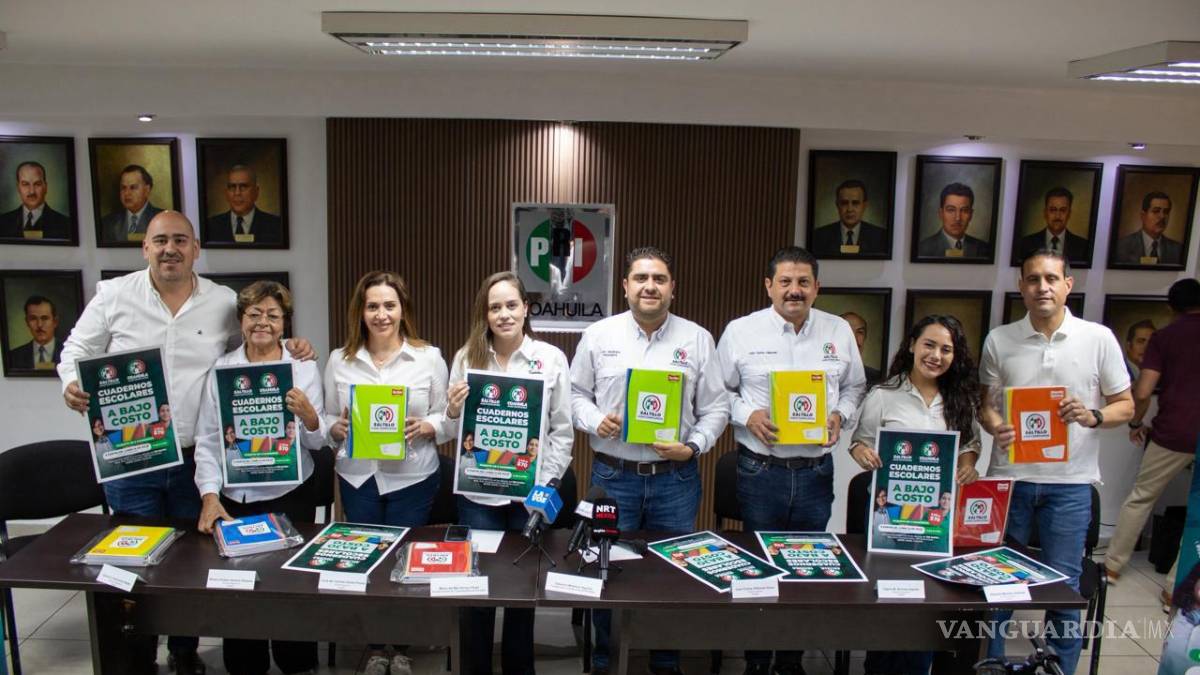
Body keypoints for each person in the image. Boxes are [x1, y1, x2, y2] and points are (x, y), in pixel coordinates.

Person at [58, 210, 314, 675]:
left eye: (180, 240)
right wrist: (71, 383)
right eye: (160, 240)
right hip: (133, 456)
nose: (170, 249)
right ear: (145, 247)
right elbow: (76, 350)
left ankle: (183, 650)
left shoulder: (221, 301)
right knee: (134, 556)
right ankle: (137, 653)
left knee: (190, 561)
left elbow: (258, 337)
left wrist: (296, 346)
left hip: (194, 456)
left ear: (196, 249)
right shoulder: (113, 295)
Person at [570, 246, 729, 675]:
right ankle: (604, 661)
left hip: (674, 478)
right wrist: (595, 420)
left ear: (673, 288)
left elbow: (716, 407)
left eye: (659, 279)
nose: (650, 286)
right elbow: (575, 395)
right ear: (625, 286)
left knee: (671, 573)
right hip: (613, 475)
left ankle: (665, 661)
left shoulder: (697, 339)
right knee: (606, 570)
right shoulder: (599, 336)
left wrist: (693, 446)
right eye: (641, 278)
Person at [979, 249, 1133, 675]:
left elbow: (1126, 405)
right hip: (1009, 481)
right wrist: (996, 425)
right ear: (1021, 287)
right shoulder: (1000, 339)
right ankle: (991, 667)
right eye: (1033, 279)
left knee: (1064, 590)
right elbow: (986, 405)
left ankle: (1059, 670)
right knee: (997, 587)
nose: (1042, 287)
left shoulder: (1098, 338)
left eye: (1051, 279)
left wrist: (1093, 415)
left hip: (1070, 485)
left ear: (1068, 285)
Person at [717, 245, 866, 675]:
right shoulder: (741, 331)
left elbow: (855, 387)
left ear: (817, 287)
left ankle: (790, 660)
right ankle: (756, 661)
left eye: (803, 282)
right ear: (769, 286)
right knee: (760, 571)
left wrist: (840, 416)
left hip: (816, 472)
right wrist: (749, 415)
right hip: (760, 470)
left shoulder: (838, 331)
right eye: (785, 281)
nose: (794, 290)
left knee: (806, 569)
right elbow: (717, 392)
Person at [193, 281, 326, 675]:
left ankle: (296, 662)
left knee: (290, 586)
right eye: (254, 314)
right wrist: (209, 495)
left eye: (272, 315)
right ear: (241, 320)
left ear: (285, 323)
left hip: (291, 493)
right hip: (237, 498)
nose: (262, 322)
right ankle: (245, 664)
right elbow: (209, 440)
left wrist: (310, 417)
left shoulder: (303, 368)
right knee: (238, 587)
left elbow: (316, 441)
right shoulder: (222, 370)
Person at [444, 271, 573, 675]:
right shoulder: (466, 358)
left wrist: (544, 485)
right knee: (476, 591)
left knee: (522, 594)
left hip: (527, 498)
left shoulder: (550, 359)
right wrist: (451, 410)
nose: (504, 314)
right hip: (478, 496)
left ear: (526, 309)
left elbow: (562, 432)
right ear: (484, 314)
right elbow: (449, 430)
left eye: (511, 305)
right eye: (494, 307)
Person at [324, 270, 451, 675]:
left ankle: (402, 647)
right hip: (358, 477)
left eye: (389, 305)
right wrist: (334, 428)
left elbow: (449, 416)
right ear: (360, 312)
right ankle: (377, 646)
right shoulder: (339, 360)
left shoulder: (428, 357)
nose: (381, 314)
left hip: (412, 477)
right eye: (373, 306)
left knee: (404, 561)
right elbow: (327, 416)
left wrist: (429, 425)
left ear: (402, 309)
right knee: (367, 560)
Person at [849, 314, 982, 675]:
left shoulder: (959, 398)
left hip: (936, 522)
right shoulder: (883, 394)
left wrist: (968, 466)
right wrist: (863, 454)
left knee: (926, 606)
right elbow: (859, 441)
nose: (936, 355)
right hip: (889, 519)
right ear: (912, 345)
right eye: (929, 345)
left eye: (946, 349)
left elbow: (970, 445)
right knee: (888, 601)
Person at [1105, 279, 1200, 597]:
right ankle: (1176, 588)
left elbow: (1143, 391)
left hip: (1174, 430)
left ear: (1172, 308)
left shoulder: (1166, 337)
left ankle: (1112, 566)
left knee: (1141, 497)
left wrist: (1135, 422)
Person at [205, 165, 284, 245]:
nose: (237, 193)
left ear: (256, 192)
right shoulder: (211, 226)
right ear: (226, 193)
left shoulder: (276, 225)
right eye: (232, 187)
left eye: (243, 186)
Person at [810, 180, 888, 256]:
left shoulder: (880, 237)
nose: (849, 209)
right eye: (844, 203)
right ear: (837, 205)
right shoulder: (819, 236)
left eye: (855, 203)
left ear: (864, 206)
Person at [1016, 187, 1091, 266]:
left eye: (1063, 210)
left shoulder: (1083, 246)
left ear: (1069, 213)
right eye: (1053, 210)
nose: (1057, 216)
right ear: (1045, 213)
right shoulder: (1026, 244)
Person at [0, 161, 72, 240]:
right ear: (18, 187)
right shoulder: (2, 222)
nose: (32, 191)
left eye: (37, 184)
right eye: (25, 184)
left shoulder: (66, 224)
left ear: (45, 187)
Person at [916, 183, 990, 258]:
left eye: (964, 210)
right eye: (951, 210)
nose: (958, 218)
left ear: (971, 215)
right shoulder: (922, 249)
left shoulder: (984, 249)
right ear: (941, 213)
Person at [1114, 191, 1184, 265]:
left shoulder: (1178, 249)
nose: (1162, 216)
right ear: (1143, 216)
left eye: (1166, 212)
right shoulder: (1121, 247)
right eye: (1156, 211)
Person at [99, 164, 162, 243]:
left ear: (147, 190)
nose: (127, 193)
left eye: (133, 187)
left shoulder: (162, 219)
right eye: (123, 188)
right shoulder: (107, 223)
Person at [6, 295, 63, 370]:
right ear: (27, 322)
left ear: (55, 322)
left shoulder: (70, 351)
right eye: (33, 318)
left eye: (44, 318)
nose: (39, 325)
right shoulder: (13, 356)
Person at [839, 311, 881, 385]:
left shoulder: (877, 378)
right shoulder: (822, 374)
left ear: (865, 337)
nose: (854, 338)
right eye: (847, 331)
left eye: (860, 332)